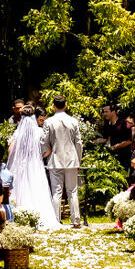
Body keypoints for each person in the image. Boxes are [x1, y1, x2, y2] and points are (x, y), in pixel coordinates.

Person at [5, 105, 60, 228]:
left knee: (19, 187)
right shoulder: (39, 132)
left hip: (20, 165)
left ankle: (18, 216)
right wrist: (38, 158)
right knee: (36, 188)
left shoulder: (18, 132)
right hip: (35, 165)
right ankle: (37, 216)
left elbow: (10, 150)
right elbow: (48, 151)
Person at [43, 95, 84, 227]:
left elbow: (44, 141)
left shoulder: (48, 122)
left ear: (53, 106)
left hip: (55, 158)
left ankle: (55, 220)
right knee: (72, 191)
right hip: (72, 159)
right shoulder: (73, 121)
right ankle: (76, 220)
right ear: (66, 105)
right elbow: (78, 143)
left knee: (57, 191)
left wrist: (45, 153)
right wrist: (79, 159)